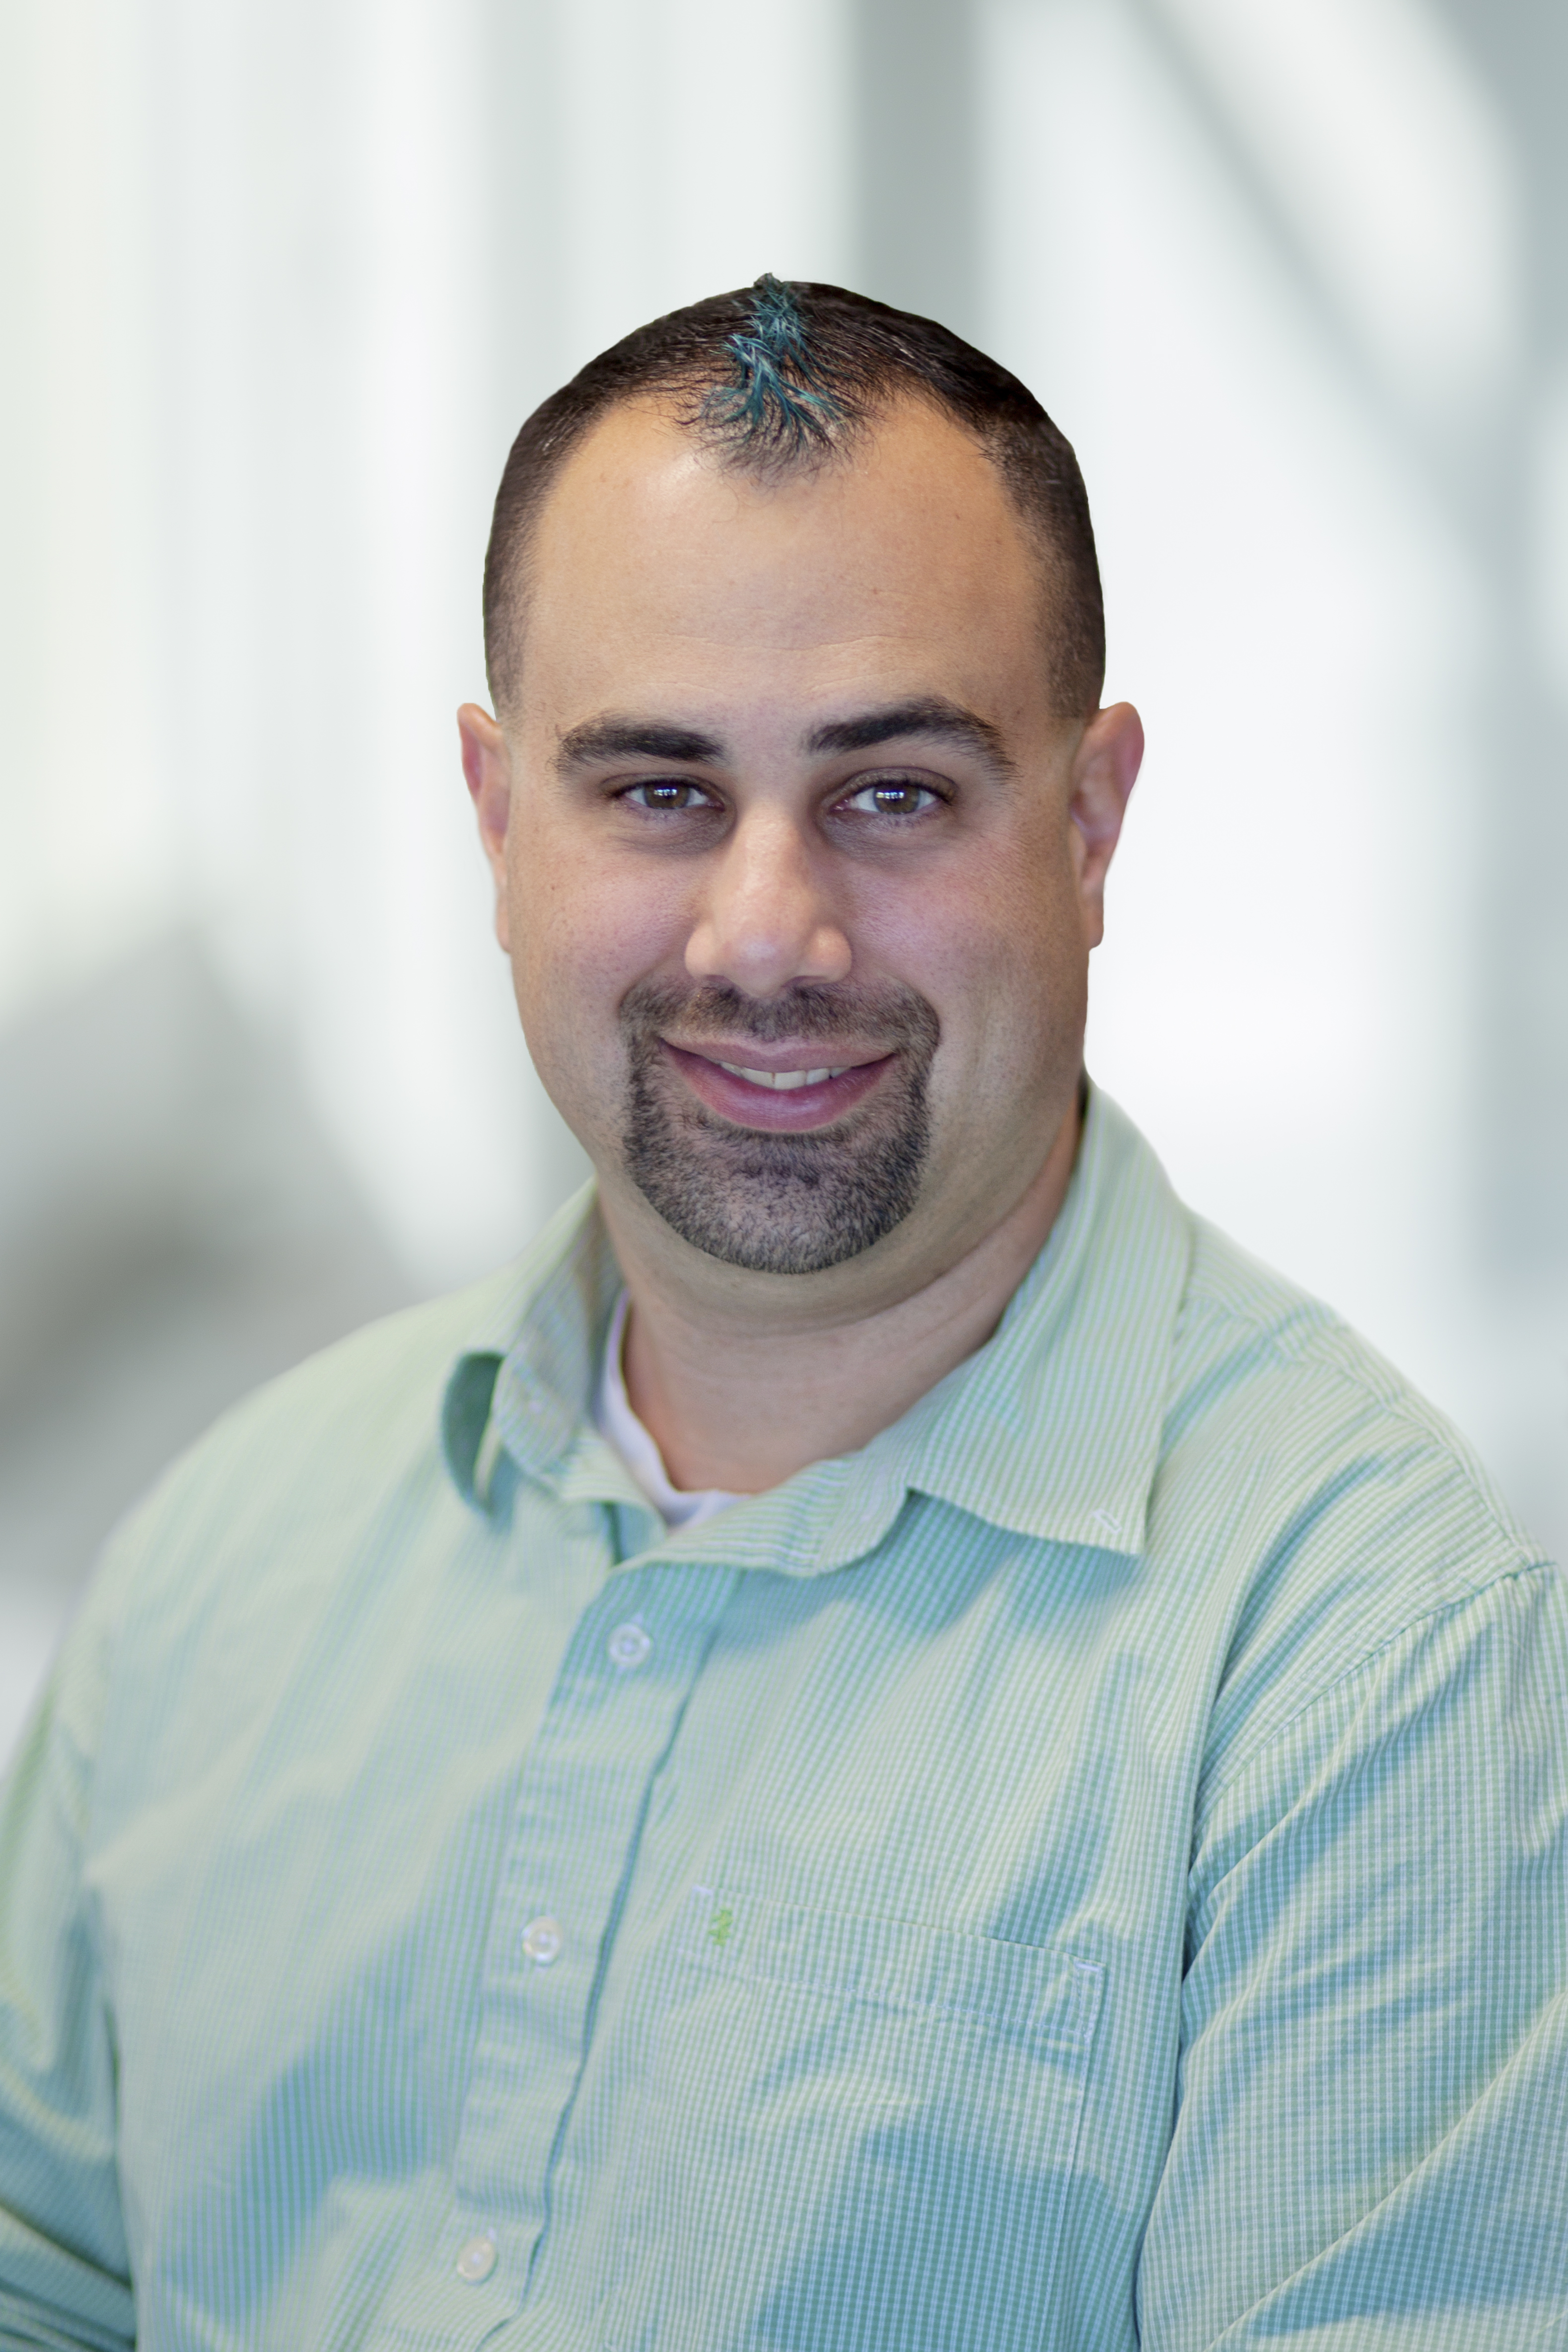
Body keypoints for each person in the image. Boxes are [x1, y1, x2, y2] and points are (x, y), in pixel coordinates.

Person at [1, 278, 1564, 2352]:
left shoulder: (1375, 1671)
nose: (767, 931)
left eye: (893, 791)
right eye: (656, 790)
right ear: (496, 821)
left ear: (1087, 825)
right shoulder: (224, 1557)